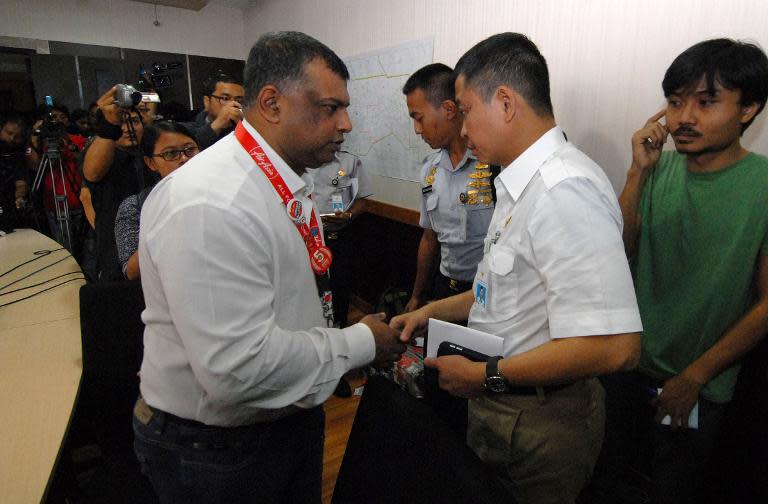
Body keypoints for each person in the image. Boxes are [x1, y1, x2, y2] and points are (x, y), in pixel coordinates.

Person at [133, 31, 407, 503]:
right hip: (219, 449)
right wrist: (360, 342)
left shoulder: (277, 180)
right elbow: (237, 369)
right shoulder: (212, 202)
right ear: (271, 103)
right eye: (329, 107)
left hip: (279, 422)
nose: (346, 123)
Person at [391, 33, 642, 504]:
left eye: (465, 110)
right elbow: (497, 288)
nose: (461, 129)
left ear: (505, 102)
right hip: (505, 409)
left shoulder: (563, 190)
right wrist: (431, 312)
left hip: (540, 422)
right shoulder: (517, 184)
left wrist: (484, 376)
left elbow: (616, 347)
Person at [600, 38, 768, 504]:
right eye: (675, 103)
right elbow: (617, 255)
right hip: (628, 363)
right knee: (608, 479)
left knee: (673, 489)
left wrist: (695, 376)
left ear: (749, 107)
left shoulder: (762, 185)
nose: (683, 118)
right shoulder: (656, 169)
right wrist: (636, 173)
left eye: (706, 101)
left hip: (701, 384)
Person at [402, 63, 496, 313]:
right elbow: (429, 238)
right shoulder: (429, 171)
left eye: (418, 118)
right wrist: (417, 295)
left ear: (448, 109)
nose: (417, 130)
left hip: (488, 293)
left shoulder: (493, 165)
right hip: (443, 288)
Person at [81, 86, 156, 281]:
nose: (125, 129)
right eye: (120, 123)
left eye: (132, 122)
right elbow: (93, 173)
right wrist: (109, 126)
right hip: (115, 255)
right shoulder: (101, 152)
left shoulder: (153, 153)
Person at [114, 122, 198, 280]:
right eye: (171, 154)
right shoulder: (135, 206)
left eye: (190, 150)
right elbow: (131, 272)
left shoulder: (219, 193)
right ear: (150, 162)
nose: (184, 159)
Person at [308, 150, 372, 327]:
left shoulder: (350, 162)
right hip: (311, 239)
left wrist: (349, 215)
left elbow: (362, 202)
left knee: (341, 285)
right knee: (312, 288)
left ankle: (340, 324)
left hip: (341, 237)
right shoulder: (303, 160)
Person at [182, 72, 244, 150]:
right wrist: (217, 125)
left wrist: (244, 128)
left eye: (239, 100)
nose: (233, 104)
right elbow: (189, 152)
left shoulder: (247, 128)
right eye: (225, 98)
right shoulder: (186, 130)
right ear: (207, 102)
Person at [0, 114, 28, 232]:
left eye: (16, 136)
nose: (12, 139)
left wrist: (19, 197)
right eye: (9, 133)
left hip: (9, 210)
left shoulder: (17, 154)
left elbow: (20, 182)